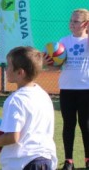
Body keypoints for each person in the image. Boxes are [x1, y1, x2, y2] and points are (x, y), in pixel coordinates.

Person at [0, 46, 58, 169]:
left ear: (20, 73)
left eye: (9, 66)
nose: (6, 69)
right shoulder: (43, 94)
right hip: (46, 160)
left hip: (25, 162)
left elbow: (13, 137)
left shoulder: (15, 100)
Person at [47, 9, 89, 170]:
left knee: (86, 125)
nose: (71, 24)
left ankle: (87, 159)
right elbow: (56, 66)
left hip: (86, 89)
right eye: (71, 20)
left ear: (85, 24)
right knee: (68, 125)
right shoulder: (63, 41)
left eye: (76, 21)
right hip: (67, 89)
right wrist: (49, 62)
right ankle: (68, 161)